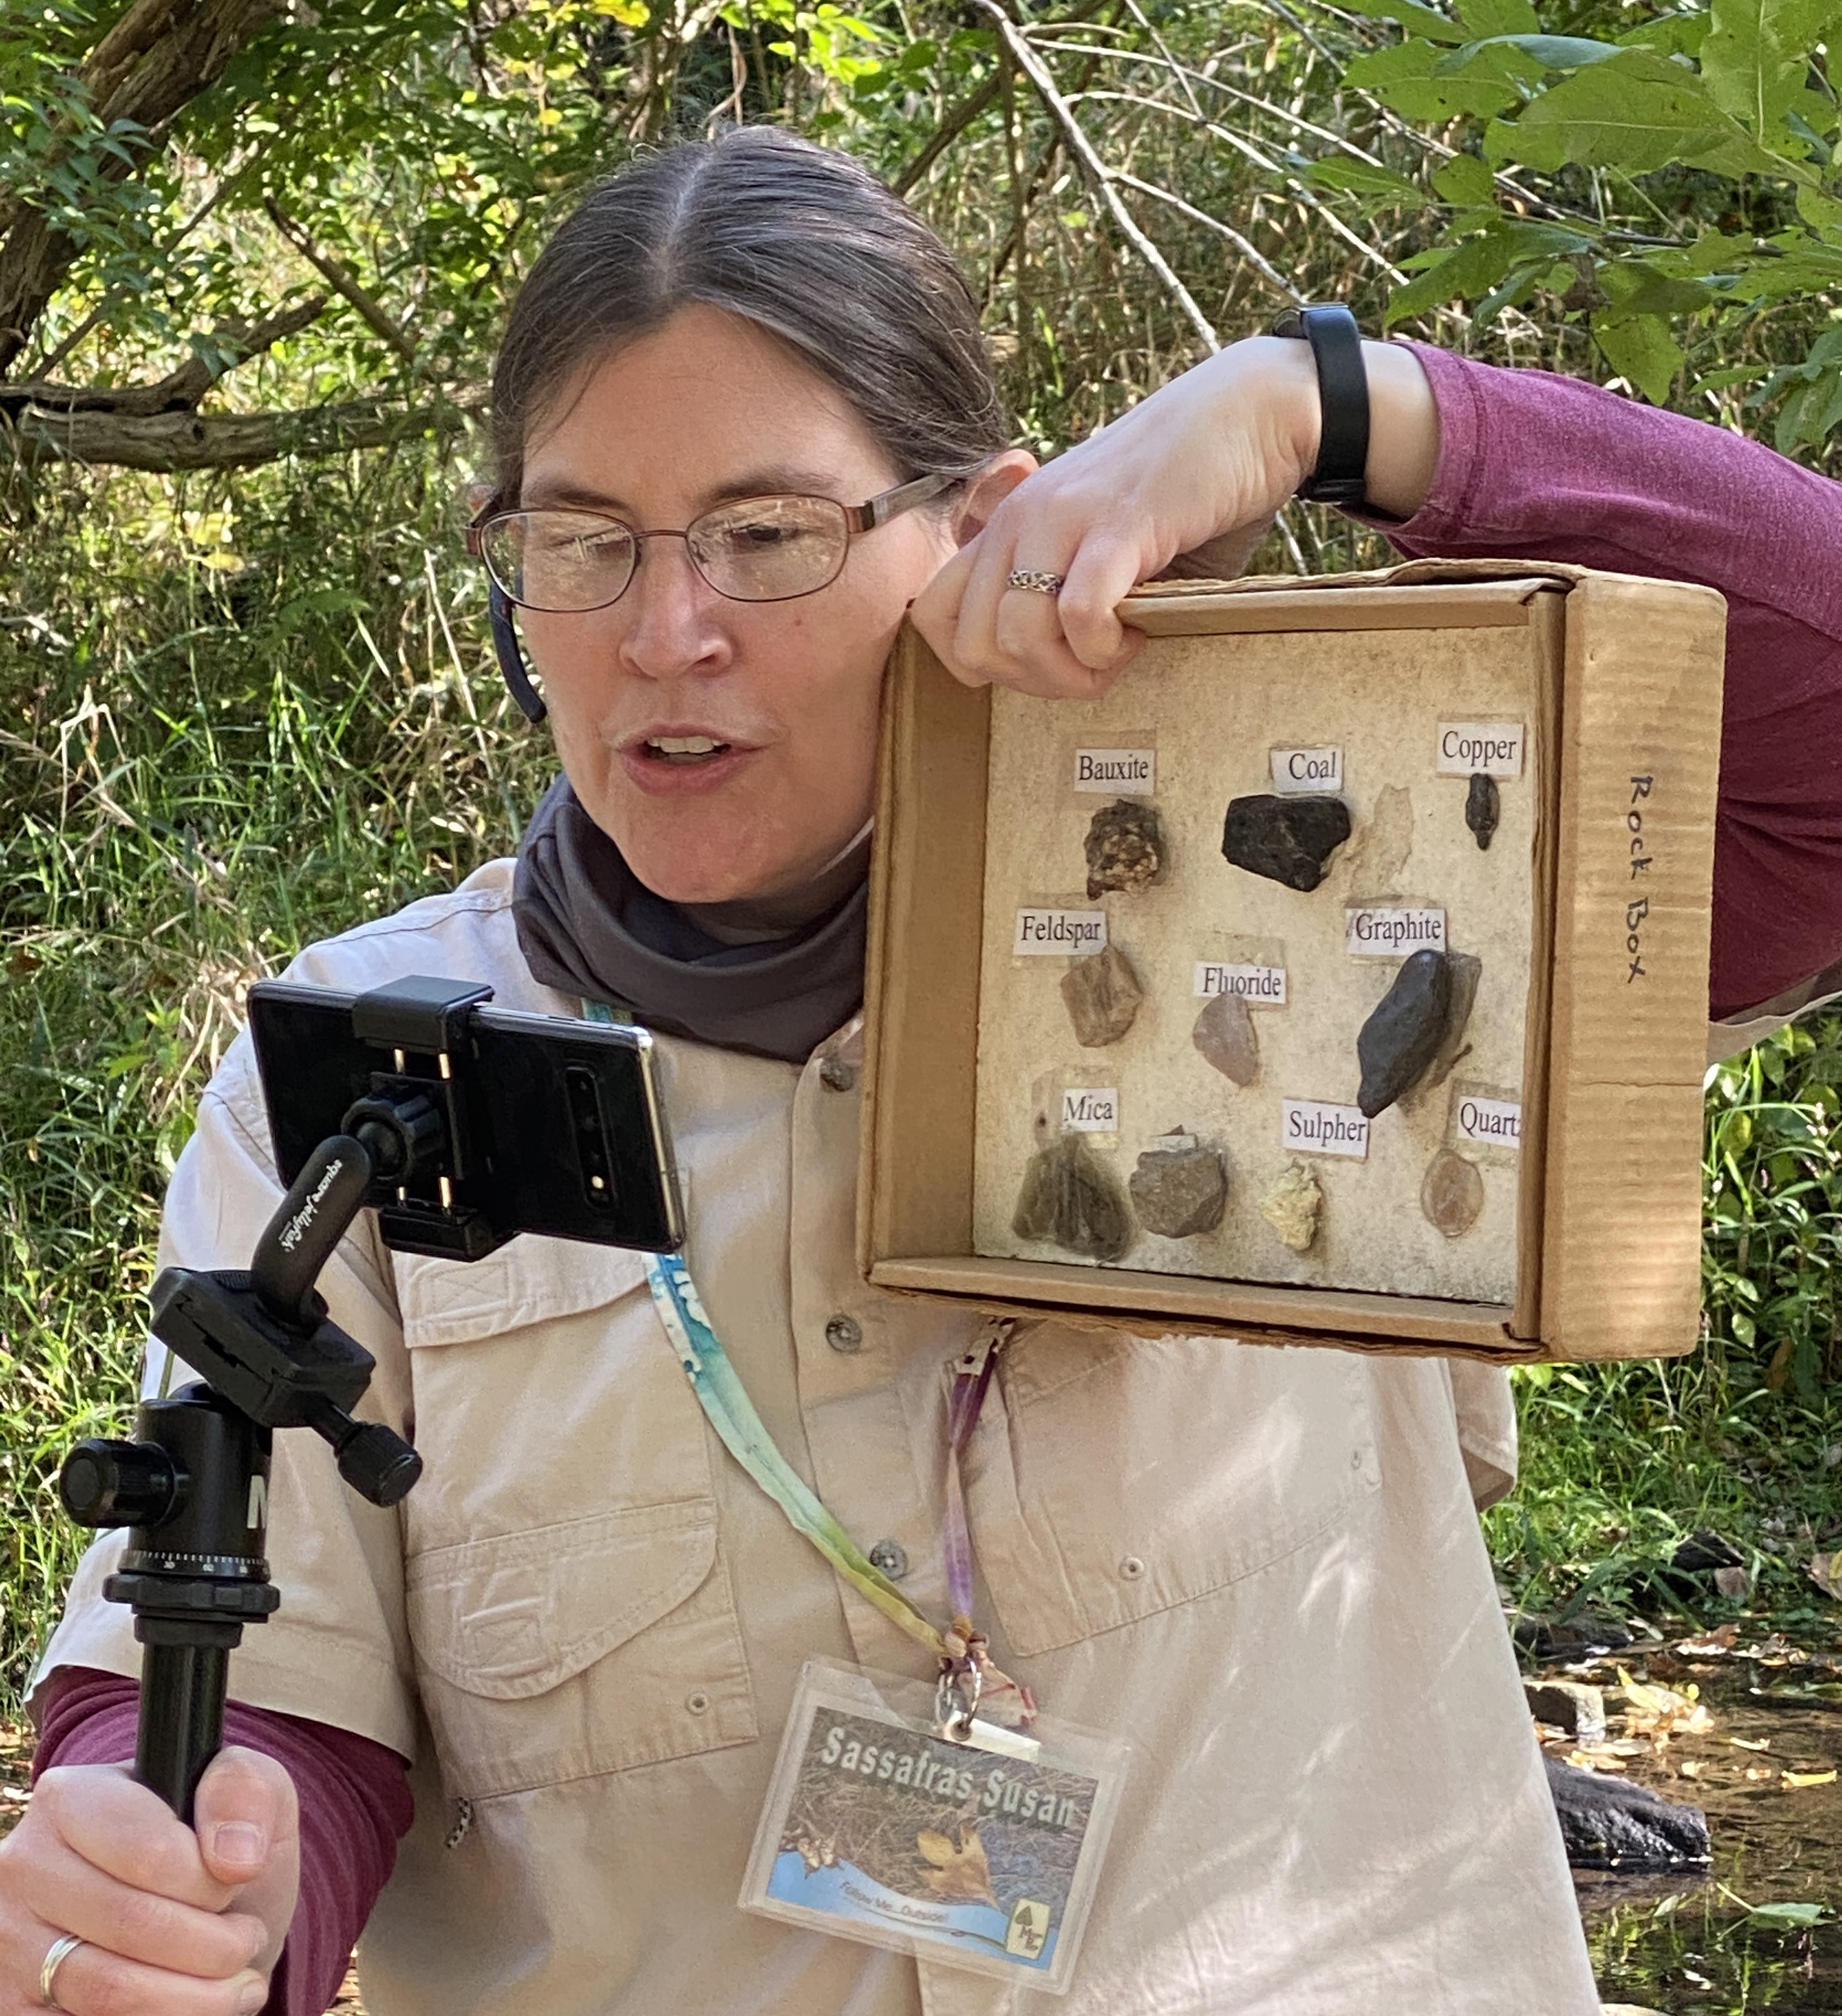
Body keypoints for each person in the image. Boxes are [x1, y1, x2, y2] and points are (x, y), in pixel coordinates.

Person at [4, 124, 1840, 2016]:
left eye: (769, 535)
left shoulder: (1315, 878)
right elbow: (263, 1722)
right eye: (581, 543)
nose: (666, 632)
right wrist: (170, 1893)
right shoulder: (364, 1074)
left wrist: (1336, 401)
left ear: (978, 528)